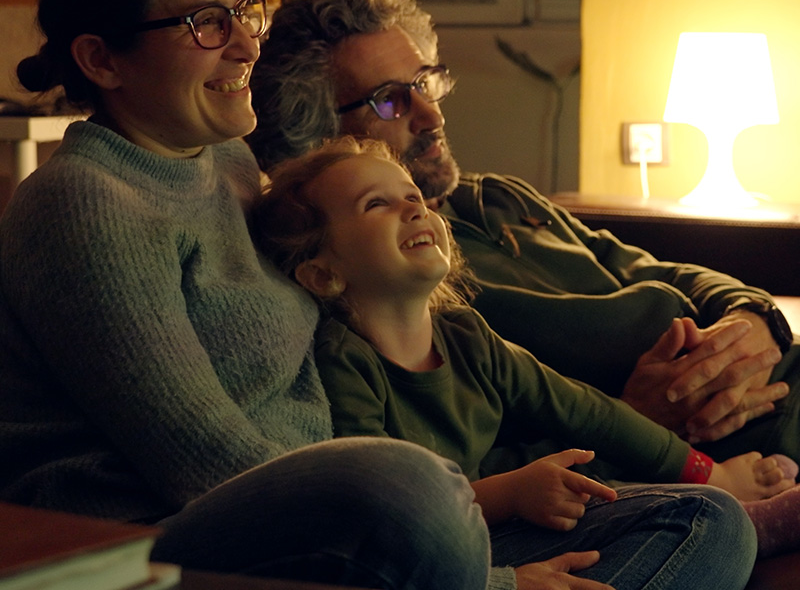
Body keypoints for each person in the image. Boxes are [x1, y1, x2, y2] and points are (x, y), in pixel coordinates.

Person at [0, 0, 503, 590]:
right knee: (412, 489)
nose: (246, 43)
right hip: (142, 542)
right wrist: (496, 568)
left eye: (244, 9)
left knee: (692, 519)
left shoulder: (227, 159)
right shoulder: (85, 203)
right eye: (205, 23)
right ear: (102, 60)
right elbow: (198, 458)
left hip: (318, 511)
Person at [246, 0, 800, 469]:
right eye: (389, 101)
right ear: (323, 140)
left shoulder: (498, 197)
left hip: (766, 372)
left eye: (425, 83)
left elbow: (668, 272)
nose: (432, 114)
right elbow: (474, 453)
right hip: (722, 441)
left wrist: (754, 320)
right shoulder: (410, 275)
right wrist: (638, 418)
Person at [253, 134, 800, 560]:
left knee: (653, 493)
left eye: (413, 198)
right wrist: (509, 495)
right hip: (461, 541)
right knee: (691, 523)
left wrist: (709, 471)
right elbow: (389, 503)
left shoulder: (467, 333)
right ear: (322, 274)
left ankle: (724, 513)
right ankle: (731, 526)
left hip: (514, 502)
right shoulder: (344, 361)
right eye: (378, 205)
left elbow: (587, 410)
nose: (415, 210)